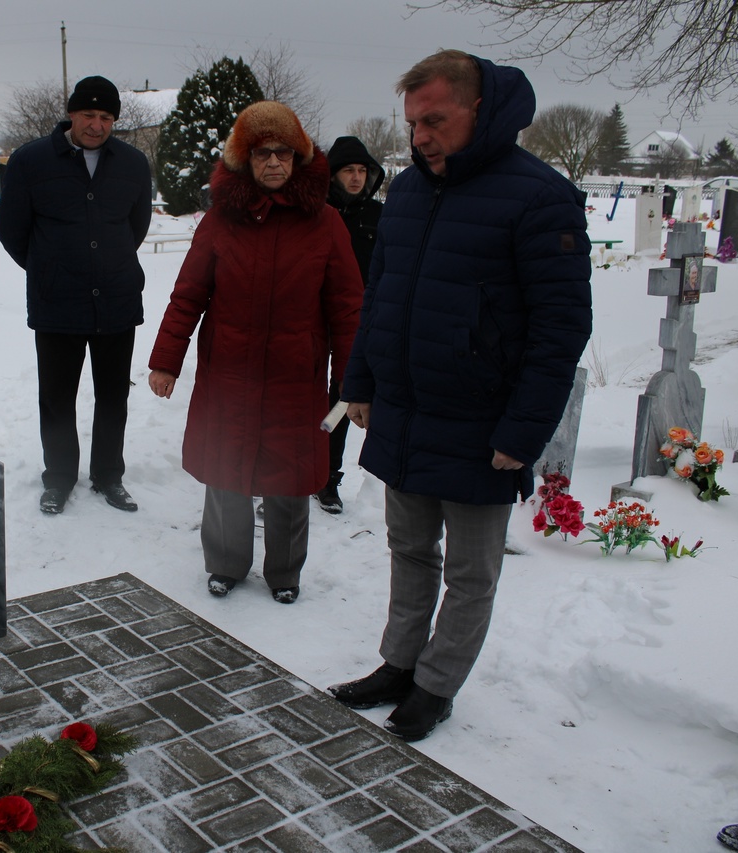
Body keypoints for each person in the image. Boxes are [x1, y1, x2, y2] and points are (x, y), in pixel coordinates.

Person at [328, 49, 593, 741]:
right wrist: (360, 381)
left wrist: (522, 430)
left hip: (482, 425)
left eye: (435, 121)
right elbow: (379, 296)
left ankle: (436, 685)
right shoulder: (409, 193)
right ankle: (398, 663)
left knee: (471, 573)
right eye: (413, 123)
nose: (419, 138)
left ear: (482, 110)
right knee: (409, 549)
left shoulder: (540, 197)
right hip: (407, 412)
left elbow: (561, 327)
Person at [147, 101, 363, 605]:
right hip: (229, 374)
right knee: (227, 470)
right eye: (263, 153)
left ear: (298, 159)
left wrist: (352, 385)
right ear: (245, 159)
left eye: (283, 154)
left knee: (289, 479)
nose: (273, 163)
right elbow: (188, 294)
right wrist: (165, 360)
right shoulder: (221, 221)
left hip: (296, 377)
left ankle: (285, 572)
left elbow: (349, 309)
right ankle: (225, 563)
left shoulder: (326, 223)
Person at [0, 76, 153, 515]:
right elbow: (11, 229)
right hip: (56, 302)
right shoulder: (31, 161)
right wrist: (49, 267)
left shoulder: (133, 164)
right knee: (58, 397)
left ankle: (108, 476)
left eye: (106, 117)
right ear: (71, 114)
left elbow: (134, 228)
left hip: (117, 300)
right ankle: (59, 478)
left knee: (112, 396)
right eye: (88, 115)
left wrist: (109, 262)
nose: (97, 125)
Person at [317, 136, 385, 515]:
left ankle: (328, 476)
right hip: (313, 314)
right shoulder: (316, 211)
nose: (357, 178)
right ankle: (294, 468)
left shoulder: (378, 216)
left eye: (363, 171)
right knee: (304, 393)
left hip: (359, 320)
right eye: (349, 170)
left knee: (343, 396)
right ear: (333, 174)